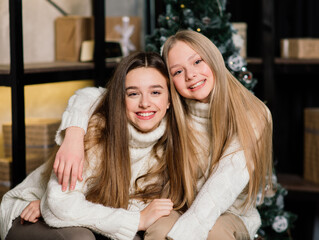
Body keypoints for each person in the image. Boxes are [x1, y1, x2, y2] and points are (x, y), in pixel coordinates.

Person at [53, 30, 273, 240]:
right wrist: (73, 133)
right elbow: (96, 96)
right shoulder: (173, 110)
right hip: (179, 206)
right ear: (170, 84)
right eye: (178, 71)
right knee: (160, 231)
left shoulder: (252, 114)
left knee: (214, 233)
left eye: (197, 61)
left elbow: (225, 182)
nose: (191, 75)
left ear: (214, 58)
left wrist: (187, 233)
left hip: (229, 212)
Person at [0, 52, 186, 240]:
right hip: (28, 213)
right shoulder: (96, 131)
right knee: (81, 238)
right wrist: (136, 220)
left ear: (169, 99)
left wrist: (55, 205)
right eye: (133, 94)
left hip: (66, 211)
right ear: (120, 99)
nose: (145, 103)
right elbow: (61, 204)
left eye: (155, 92)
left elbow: (148, 206)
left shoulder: (174, 140)